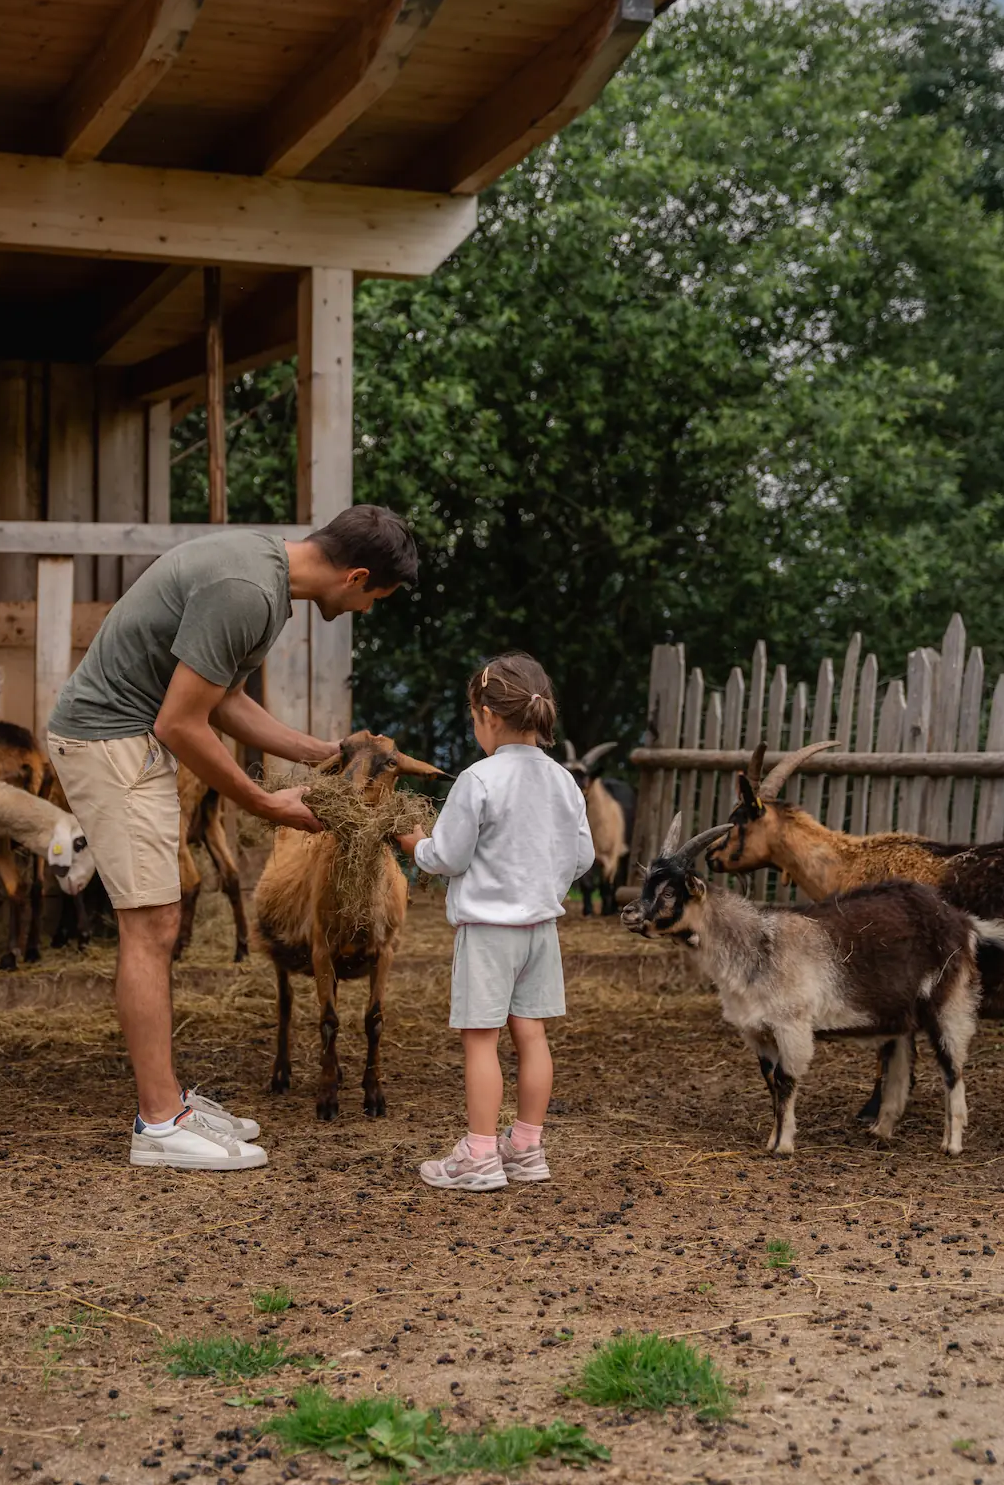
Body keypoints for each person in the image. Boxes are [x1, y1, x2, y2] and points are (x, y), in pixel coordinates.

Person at [47, 506, 418, 1173]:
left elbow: (221, 702)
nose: (365, 611)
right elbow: (181, 724)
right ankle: (158, 1122)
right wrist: (262, 802)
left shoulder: (264, 578)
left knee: (156, 921)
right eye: (372, 599)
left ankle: (170, 1105)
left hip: (129, 737)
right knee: (152, 924)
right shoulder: (248, 593)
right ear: (356, 576)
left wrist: (323, 752)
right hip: (110, 739)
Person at [397, 652, 594, 1192]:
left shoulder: (478, 779)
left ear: (487, 714)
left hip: (487, 933)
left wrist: (417, 846)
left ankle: (480, 1156)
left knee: (480, 1041)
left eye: (472, 717)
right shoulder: (564, 782)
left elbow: (451, 856)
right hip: (541, 931)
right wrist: (544, 881)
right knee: (532, 1036)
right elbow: (583, 858)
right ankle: (526, 1148)